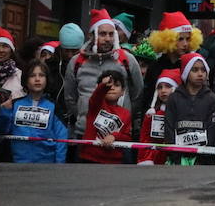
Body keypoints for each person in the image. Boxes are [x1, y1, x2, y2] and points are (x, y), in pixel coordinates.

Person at [62, 9, 143, 142]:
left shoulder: (127, 59)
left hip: (118, 135)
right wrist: (85, 117)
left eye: (111, 34)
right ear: (92, 36)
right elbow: (70, 98)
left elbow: (138, 95)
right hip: (85, 133)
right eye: (103, 34)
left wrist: (124, 116)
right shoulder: (76, 61)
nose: (108, 39)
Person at [0, 59, 68, 164]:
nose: (37, 79)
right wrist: (5, 112)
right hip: (17, 163)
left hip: (47, 165)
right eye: (32, 76)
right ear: (25, 80)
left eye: (41, 75)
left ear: (47, 79)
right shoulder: (14, 104)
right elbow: (1, 131)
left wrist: (59, 164)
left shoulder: (54, 106)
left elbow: (62, 138)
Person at [143, 11, 203, 118]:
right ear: (167, 40)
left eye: (188, 39)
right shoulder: (155, 66)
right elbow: (147, 96)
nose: (185, 44)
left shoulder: (192, 65)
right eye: (180, 39)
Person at [164, 52, 215, 164]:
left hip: (203, 160)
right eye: (195, 70)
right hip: (177, 159)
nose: (200, 74)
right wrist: (175, 156)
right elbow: (169, 128)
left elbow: (213, 130)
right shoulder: (174, 98)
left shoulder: (213, 99)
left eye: (203, 70)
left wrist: (203, 157)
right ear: (185, 72)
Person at [78, 71, 130, 165]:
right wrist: (104, 85)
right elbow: (96, 96)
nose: (112, 87)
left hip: (113, 160)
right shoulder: (96, 104)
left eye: (117, 85)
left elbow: (127, 137)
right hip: (90, 156)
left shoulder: (126, 113)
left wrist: (114, 136)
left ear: (122, 92)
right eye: (109, 85)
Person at [137, 70, 178, 166]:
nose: (163, 90)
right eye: (160, 87)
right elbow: (145, 139)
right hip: (156, 161)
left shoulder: (183, 113)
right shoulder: (152, 115)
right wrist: (146, 159)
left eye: (168, 86)